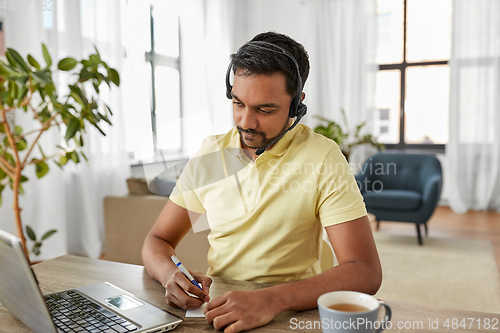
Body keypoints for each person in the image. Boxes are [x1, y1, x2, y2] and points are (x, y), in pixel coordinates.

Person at [142, 31, 382, 333]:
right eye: (238, 103)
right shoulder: (211, 153)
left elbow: (365, 271)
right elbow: (157, 241)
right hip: (222, 311)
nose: (245, 122)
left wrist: (270, 300)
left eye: (265, 110)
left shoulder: (323, 157)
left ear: (297, 105)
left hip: (290, 314)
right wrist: (168, 274)